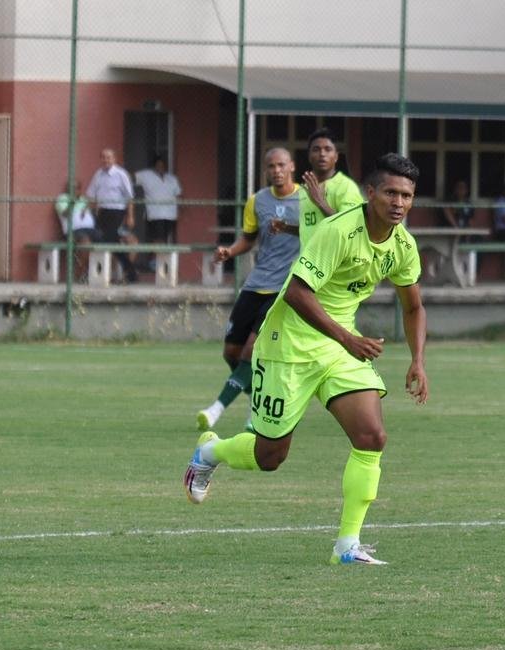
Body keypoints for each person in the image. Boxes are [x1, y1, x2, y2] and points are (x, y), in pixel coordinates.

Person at [182, 153, 429, 567]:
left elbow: (414, 307)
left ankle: (346, 546)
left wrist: (417, 360)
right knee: (270, 457)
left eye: (406, 195)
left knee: (372, 437)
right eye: (390, 192)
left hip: (337, 349)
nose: (399, 202)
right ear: (370, 193)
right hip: (288, 345)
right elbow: (297, 293)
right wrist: (349, 338)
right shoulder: (339, 231)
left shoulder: (403, 245)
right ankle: (210, 453)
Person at [195, 147, 303, 432]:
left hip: (284, 289)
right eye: (271, 166)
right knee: (231, 352)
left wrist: (290, 228)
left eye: (281, 165)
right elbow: (249, 239)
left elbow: (318, 234)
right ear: (266, 169)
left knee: (250, 351)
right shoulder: (257, 201)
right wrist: (229, 252)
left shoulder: (307, 200)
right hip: (256, 284)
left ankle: (215, 410)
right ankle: (266, 404)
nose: (276, 170)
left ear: (291, 166)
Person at [295, 127, 364, 234]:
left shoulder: (346, 186)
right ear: (309, 156)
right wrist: (285, 228)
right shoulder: (304, 189)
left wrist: (320, 202)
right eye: (316, 149)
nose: (322, 154)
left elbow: (351, 226)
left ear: (336, 156)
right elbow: (309, 229)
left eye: (328, 149)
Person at [85, 147, 138, 283]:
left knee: (108, 238)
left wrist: (130, 216)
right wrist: (88, 212)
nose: (106, 160)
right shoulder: (98, 174)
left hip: (117, 211)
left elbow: (129, 197)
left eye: (109, 157)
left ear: (114, 159)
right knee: (105, 240)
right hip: (102, 211)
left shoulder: (121, 174)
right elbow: (91, 194)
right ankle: (130, 272)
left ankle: (125, 272)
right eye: (103, 157)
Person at [135, 155, 182, 245]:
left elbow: (178, 195)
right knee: (157, 239)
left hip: (170, 215)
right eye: (158, 165)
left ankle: (158, 258)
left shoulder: (172, 179)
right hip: (154, 214)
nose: (161, 167)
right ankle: (158, 258)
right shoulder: (146, 175)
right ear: (154, 166)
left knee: (164, 238)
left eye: (163, 165)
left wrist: (179, 210)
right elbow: (130, 178)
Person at [55, 180, 97, 278]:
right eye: (72, 188)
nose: (74, 191)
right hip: (73, 231)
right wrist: (72, 203)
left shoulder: (83, 199)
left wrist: (87, 208)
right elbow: (65, 214)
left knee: (108, 240)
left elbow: (91, 210)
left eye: (77, 188)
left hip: (90, 230)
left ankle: (110, 275)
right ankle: (80, 273)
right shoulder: (63, 198)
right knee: (85, 242)